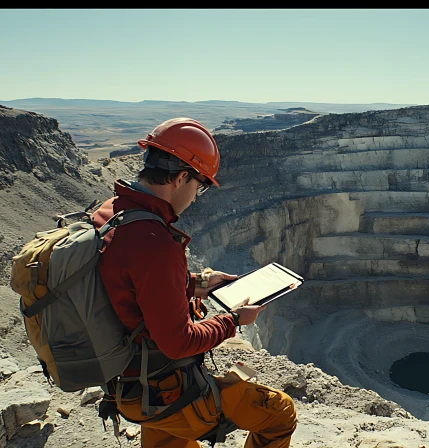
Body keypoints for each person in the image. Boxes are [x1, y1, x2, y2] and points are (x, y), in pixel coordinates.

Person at [90, 117, 297, 448]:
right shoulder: (154, 240)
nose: (197, 197)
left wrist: (197, 284)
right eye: (199, 185)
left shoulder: (110, 213)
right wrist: (232, 321)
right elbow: (179, 342)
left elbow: (127, 282)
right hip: (163, 390)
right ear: (181, 177)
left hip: (126, 381)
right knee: (279, 413)